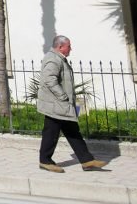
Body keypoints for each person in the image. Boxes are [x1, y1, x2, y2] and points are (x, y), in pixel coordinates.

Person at [36, 35, 107, 173]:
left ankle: (87, 160)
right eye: (69, 46)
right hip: (56, 104)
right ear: (60, 47)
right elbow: (49, 80)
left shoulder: (58, 58)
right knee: (52, 133)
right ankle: (45, 161)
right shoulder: (53, 59)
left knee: (72, 131)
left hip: (60, 104)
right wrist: (63, 96)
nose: (71, 49)